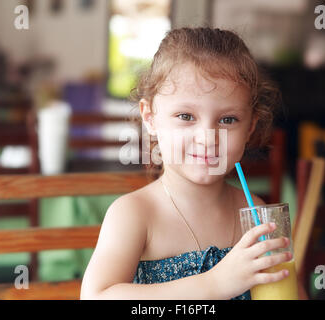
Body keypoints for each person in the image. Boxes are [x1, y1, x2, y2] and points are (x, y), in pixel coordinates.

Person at [81, 27, 290, 300]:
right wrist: (213, 285)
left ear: (250, 127)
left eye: (228, 120)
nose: (207, 138)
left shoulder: (254, 213)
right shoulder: (134, 214)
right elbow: (95, 297)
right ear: (151, 117)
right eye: (186, 116)